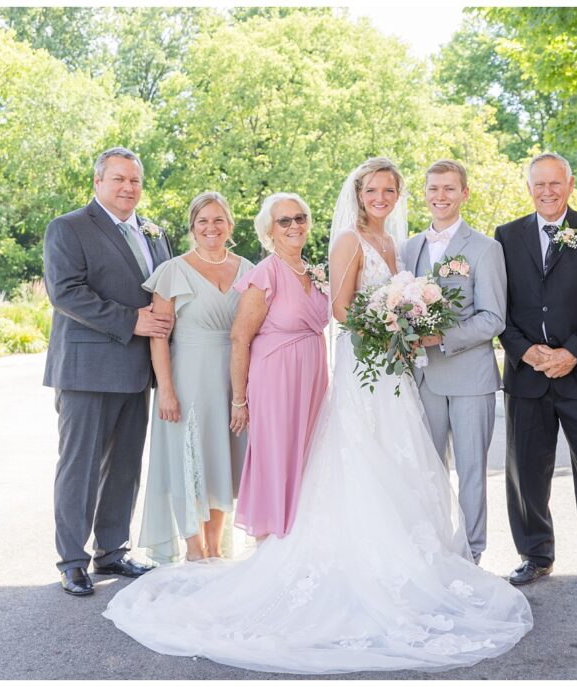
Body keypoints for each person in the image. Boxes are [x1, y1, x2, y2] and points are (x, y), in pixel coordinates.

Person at [103, 158, 532, 674]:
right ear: (358, 194)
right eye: (371, 190)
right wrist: (388, 325)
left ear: (399, 195)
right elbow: (343, 312)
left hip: (390, 367)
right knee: (357, 451)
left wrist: (404, 321)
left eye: (388, 190)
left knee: (399, 455)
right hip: (365, 360)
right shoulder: (348, 241)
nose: (380, 197)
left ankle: (423, 554)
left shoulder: (398, 245)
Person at [495, 152, 577, 598]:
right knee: (526, 472)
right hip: (527, 375)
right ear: (528, 187)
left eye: (555, 183)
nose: (547, 192)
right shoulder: (507, 236)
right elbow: (501, 305)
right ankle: (535, 554)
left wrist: (573, 352)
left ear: (570, 185)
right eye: (539, 184)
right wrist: (524, 350)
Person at [43, 147, 173, 596]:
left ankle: (112, 550)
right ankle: (73, 560)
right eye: (118, 179)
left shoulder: (154, 232)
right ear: (98, 182)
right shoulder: (69, 228)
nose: (128, 188)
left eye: (134, 180)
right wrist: (130, 320)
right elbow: (65, 293)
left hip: (138, 368)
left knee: (124, 465)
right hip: (86, 368)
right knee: (79, 467)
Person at [399, 159, 507, 564]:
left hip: (470, 379)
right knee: (427, 472)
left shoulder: (485, 249)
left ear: (464, 193)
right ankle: (433, 550)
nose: (440, 196)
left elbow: (493, 318)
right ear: (424, 194)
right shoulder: (410, 248)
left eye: (448, 188)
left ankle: (472, 553)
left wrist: (440, 337)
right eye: (433, 189)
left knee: (472, 473)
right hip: (422, 379)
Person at [136, 192, 253, 564]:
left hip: (232, 377)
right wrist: (166, 391)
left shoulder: (248, 269)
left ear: (230, 225)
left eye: (218, 220)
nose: (211, 227)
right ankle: (193, 549)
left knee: (221, 459)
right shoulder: (174, 270)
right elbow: (158, 334)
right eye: (203, 221)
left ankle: (216, 548)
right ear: (192, 227)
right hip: (186, 376)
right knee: (188, 459)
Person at [229, 193, 330, 539]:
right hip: (275, 379)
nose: (294, 226)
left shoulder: (314, 272)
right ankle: (270, 543)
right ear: (269, 231)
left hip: (313, 378)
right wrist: (239, 399)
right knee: (276, 457)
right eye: (284, 221)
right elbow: (240, 338)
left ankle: (297, 540)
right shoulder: (265, 274)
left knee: (307, 456)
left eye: (299, 218)